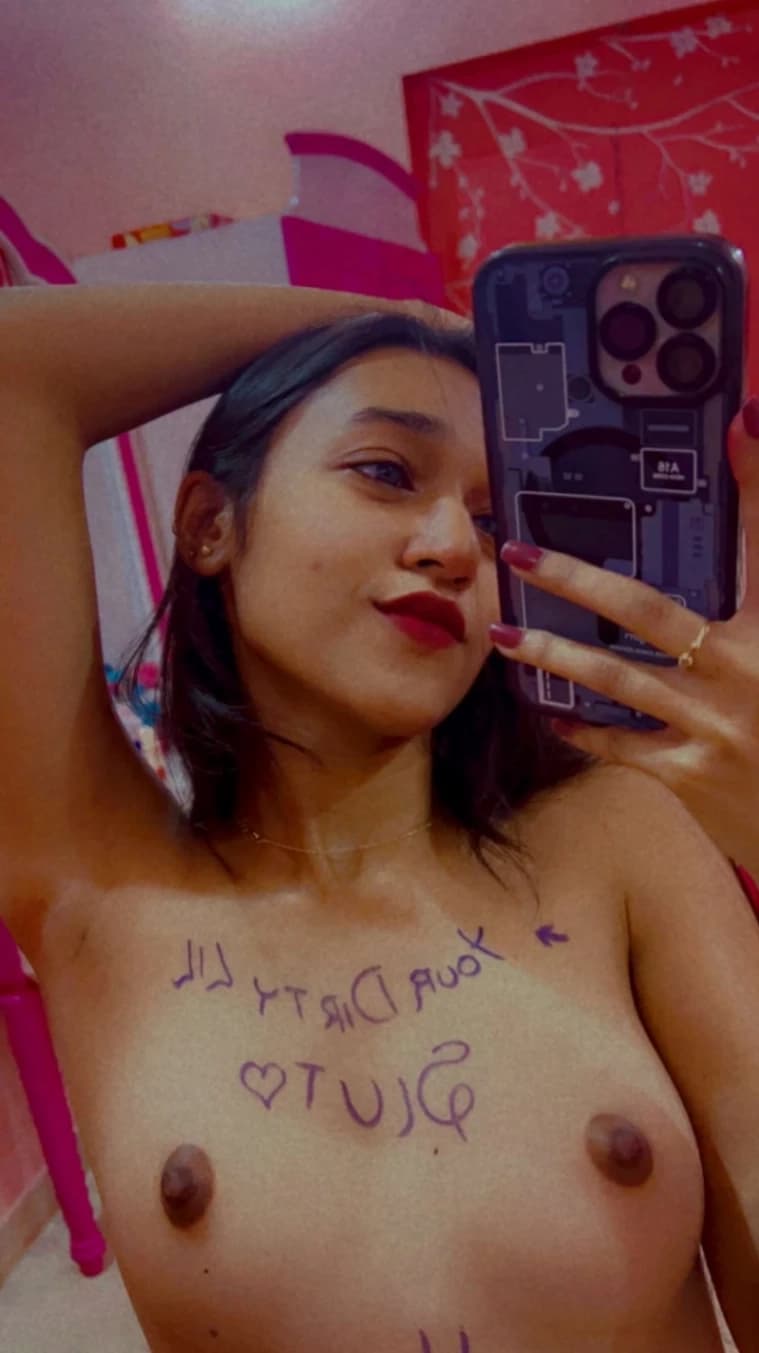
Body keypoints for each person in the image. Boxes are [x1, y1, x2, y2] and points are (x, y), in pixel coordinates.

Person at [0, 282, 757, 1353]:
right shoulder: (103, 894)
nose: (454, 546)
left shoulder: (619, 837)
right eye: (387, 472)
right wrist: (420, 320)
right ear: (211, 524)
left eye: (494, 521)